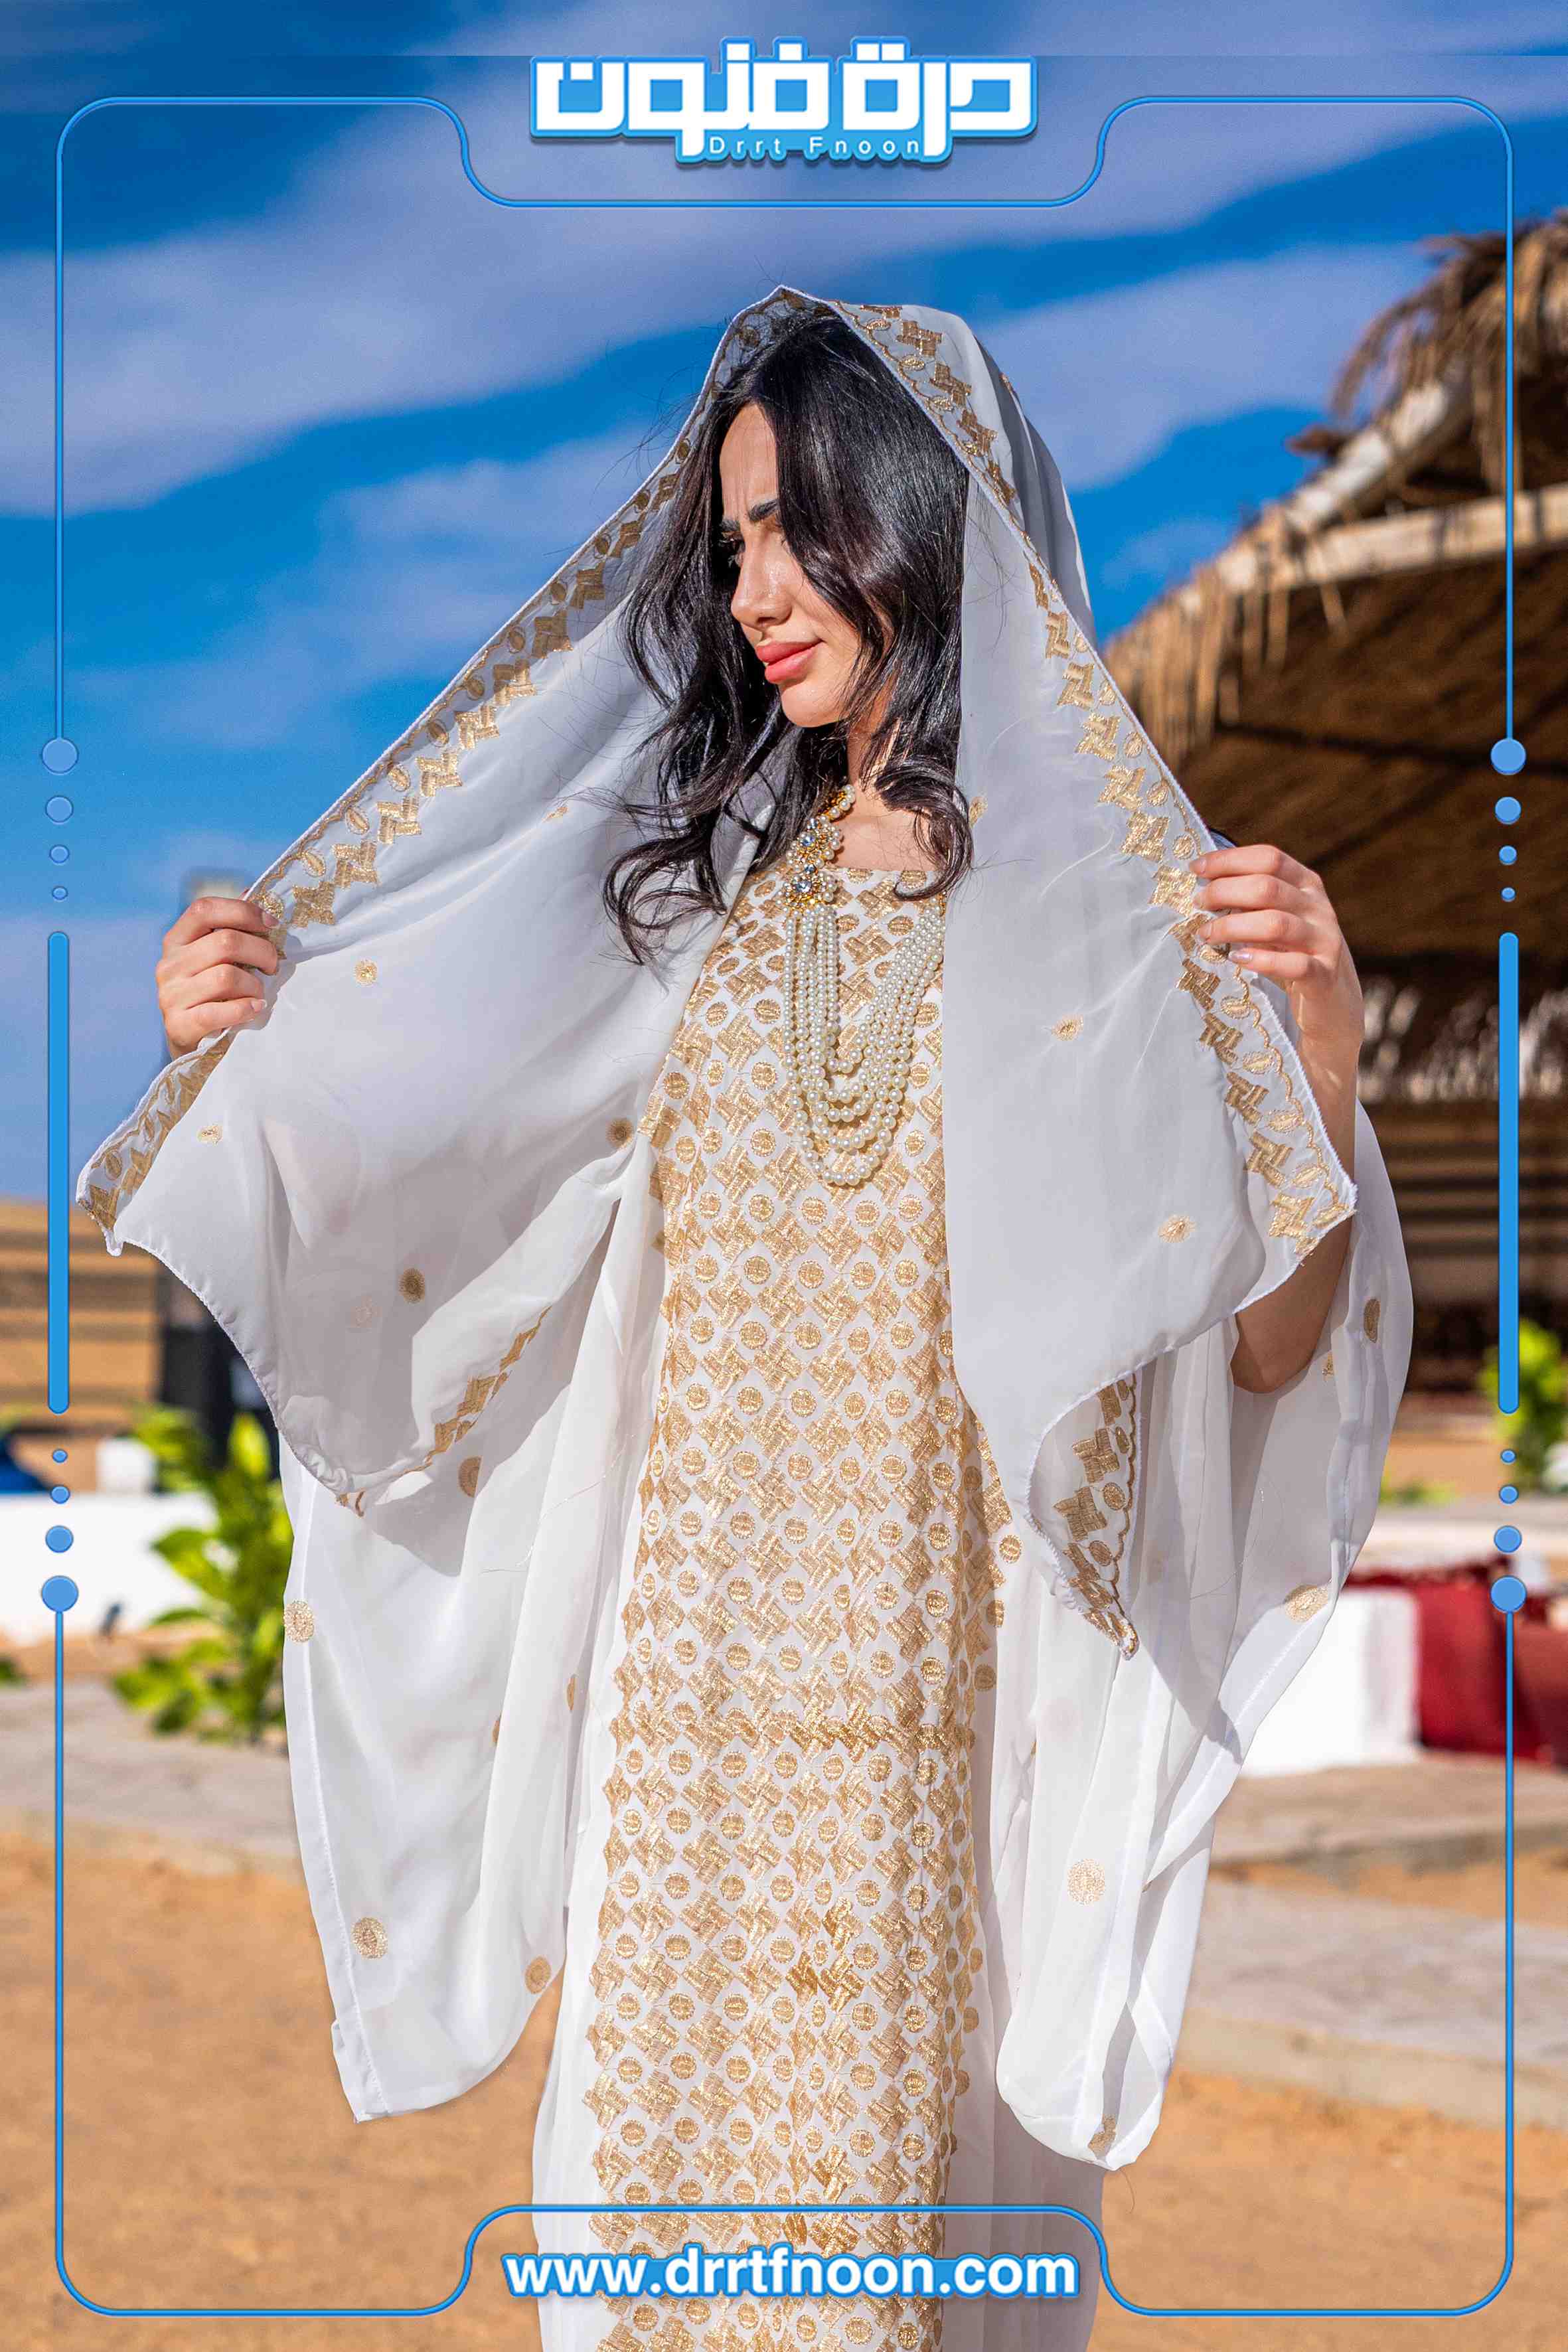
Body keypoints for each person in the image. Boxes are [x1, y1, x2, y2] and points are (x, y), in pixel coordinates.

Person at [85, 288, 1412, 2351]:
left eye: (801, 528)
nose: (755, 592)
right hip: (673, 1697)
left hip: (931, 1697)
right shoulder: (683, 900)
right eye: (731, 546)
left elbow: (1256, 1358)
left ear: (927, 519)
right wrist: (245, 1043)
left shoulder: (1124, 923)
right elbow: (445, 1200)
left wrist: (1312, 1066)